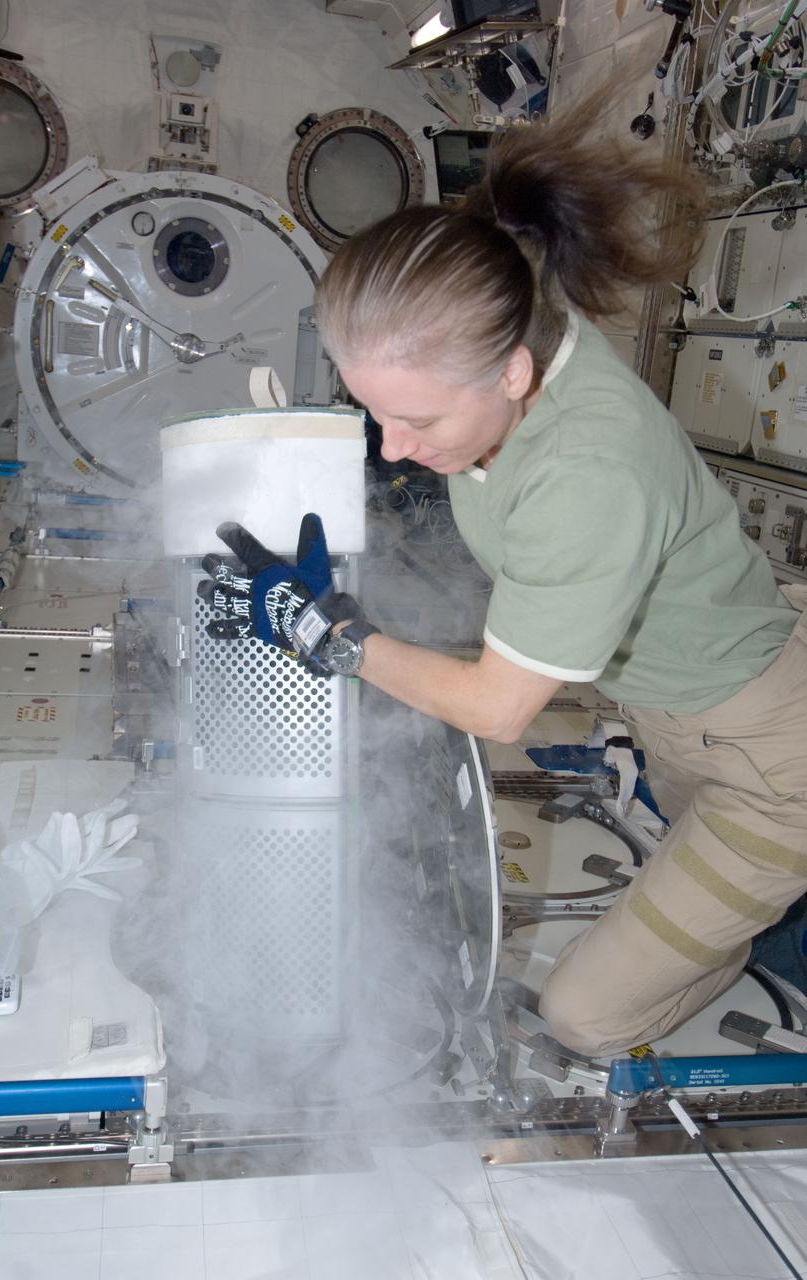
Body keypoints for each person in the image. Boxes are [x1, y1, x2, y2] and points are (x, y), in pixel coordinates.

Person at [200, 87, 807, 1057]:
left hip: (774, 757)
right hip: (680, 710)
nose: (393, 448)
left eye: (418, 422)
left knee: (584, 1013)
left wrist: (336, 636)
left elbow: (498, 708)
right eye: (373, 412)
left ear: (512, 377)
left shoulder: (587, 474)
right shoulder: (504, 321)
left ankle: (718, 951)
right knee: (690, 904)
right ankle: (713, 934)